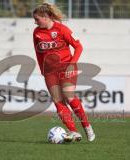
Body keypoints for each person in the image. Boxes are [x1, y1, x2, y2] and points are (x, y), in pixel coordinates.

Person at [32, 3, 95, 142]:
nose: (35, 22)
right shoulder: (37, 32)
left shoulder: (61, 29)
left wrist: (72, 64)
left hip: (66, 67)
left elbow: (78, 46)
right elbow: (38, 52)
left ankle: (87, 126)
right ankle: (73, 131)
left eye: (37, 19)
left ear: (46, 16)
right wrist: (42, 70)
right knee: (57, 100)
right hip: (49, 72)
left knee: (69, 96)